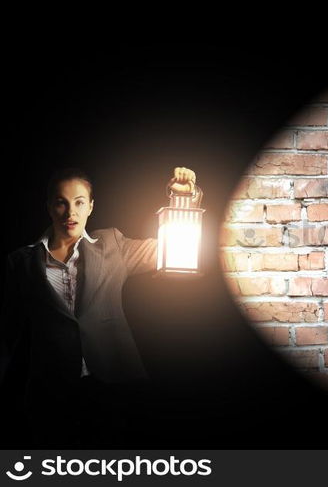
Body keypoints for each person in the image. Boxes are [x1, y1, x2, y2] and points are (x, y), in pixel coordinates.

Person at [0, 166, 199, 446]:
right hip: (51, 392)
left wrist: (185, 199)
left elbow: (173, 244)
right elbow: (9, 333)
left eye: (79, 202)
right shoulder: (20, 262)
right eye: (61, 202)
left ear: (91, 206)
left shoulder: (113, 245)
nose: (71, 212)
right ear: (49, 207)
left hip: (114, 383)